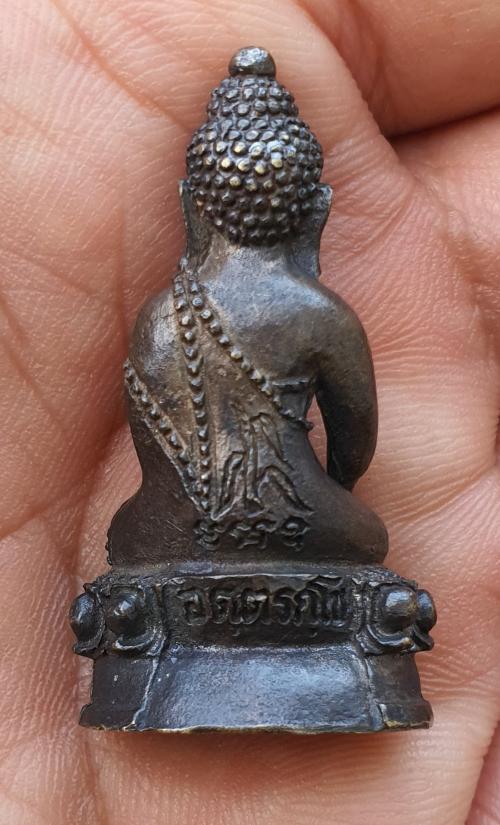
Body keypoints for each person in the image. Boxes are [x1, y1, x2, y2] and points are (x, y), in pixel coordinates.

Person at [1, 0, 499, 822]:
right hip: (303, 527)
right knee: (363, 534)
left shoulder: (161, 316)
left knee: (135, 536)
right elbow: (354, 448)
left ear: (192, 205)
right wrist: (308, 493)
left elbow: (156, 455)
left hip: (168, 537)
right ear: (315, 208)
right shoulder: (321, 315)